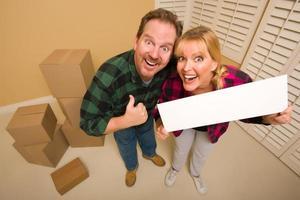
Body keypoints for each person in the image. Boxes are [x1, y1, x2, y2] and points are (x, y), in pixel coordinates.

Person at [155, 26, 292, 194]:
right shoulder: (172, 82)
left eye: (198, 58)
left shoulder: (235, 80)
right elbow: (161, 106)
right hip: (183, 127)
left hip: (212, 129)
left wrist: (269, 118)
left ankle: (195, 173)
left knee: (201, 153)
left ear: (214, 63)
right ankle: (175, 169)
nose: (185, 68)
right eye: (182, 58)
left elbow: (249, 110)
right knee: (180, 149)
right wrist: (161, 123)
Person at [80, 8, 182, 187]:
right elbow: (88, 123)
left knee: (148, 137)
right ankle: (132, 168)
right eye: (149, 42)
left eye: (165, 47)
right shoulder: (109, 74)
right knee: (126, 145)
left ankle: (149, 154)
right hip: (121, 122)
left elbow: (201, 77)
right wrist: (124, 121)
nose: (155, 54)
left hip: (147, 116)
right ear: (136, 41)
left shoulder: (171, 66)